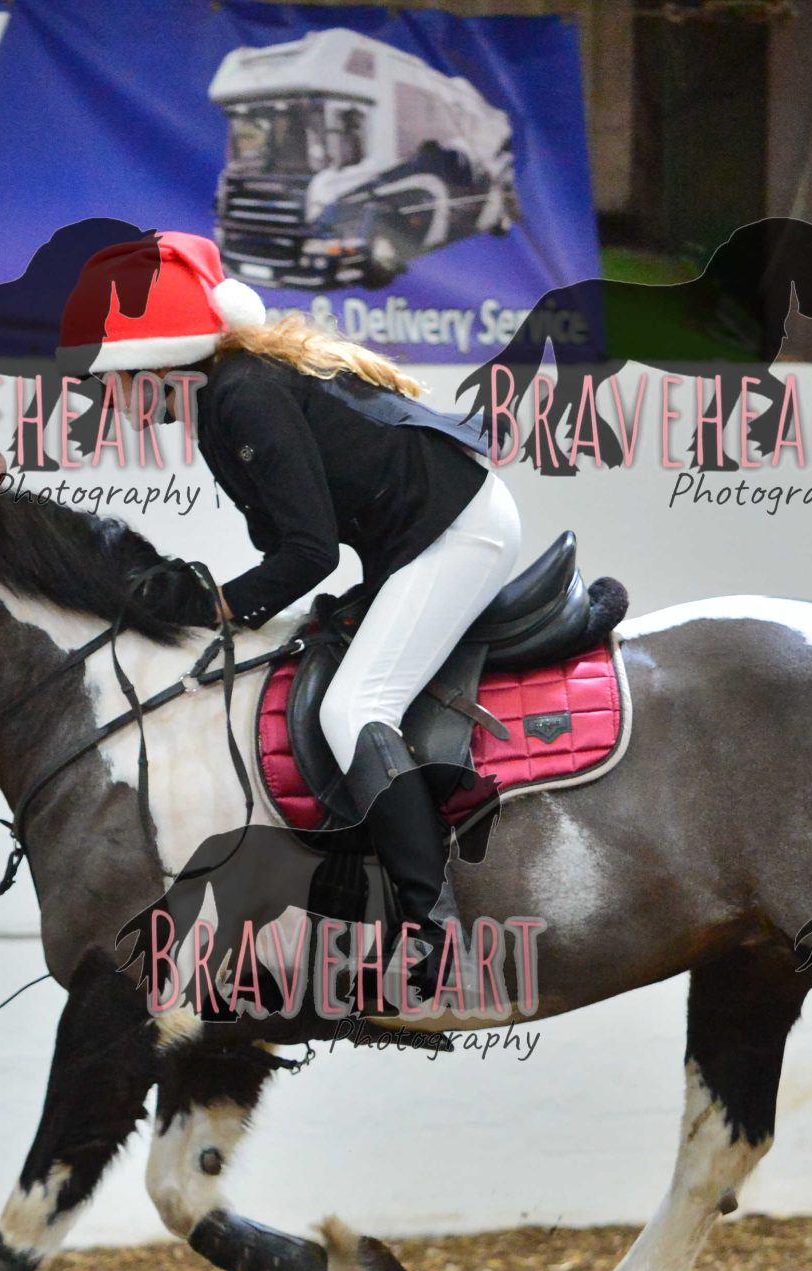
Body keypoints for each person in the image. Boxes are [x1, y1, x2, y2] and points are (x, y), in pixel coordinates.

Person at [58, 231, 531, 1003]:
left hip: (457, 532)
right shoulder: (221, 399)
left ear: (160, 364)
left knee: (355, 708)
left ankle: (436, 931)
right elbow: (290, 541)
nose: (106, 399)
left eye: (113, 380)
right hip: (414, 537)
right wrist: (214, 598)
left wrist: (213, 605)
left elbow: (308, 552)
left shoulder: (242, 395)